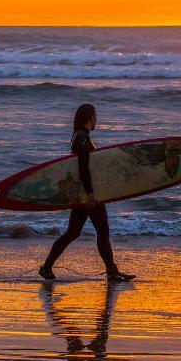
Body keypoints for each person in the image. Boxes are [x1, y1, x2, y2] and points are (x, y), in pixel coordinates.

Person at [39, 103, 135, 282]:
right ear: (90, 118)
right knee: (102, 233)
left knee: (73, 233)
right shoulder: (82, 138)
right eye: (96, 116)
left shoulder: (79, 136)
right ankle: (111, 272)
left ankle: (46, 267)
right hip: (89, 194)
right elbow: (83, 167)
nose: (97, 120)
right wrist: (91, 194)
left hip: (82, 193)